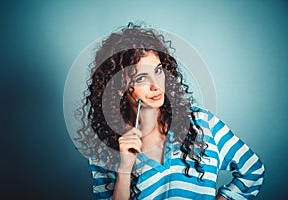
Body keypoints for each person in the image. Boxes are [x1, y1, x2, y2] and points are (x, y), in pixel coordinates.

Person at [75, 23, 265, 200]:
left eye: (158, 71)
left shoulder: (203, 124)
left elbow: (252, 171)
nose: (156, 85)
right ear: (118, 87)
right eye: (141, 78)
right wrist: (124, 169)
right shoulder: (105, 149)